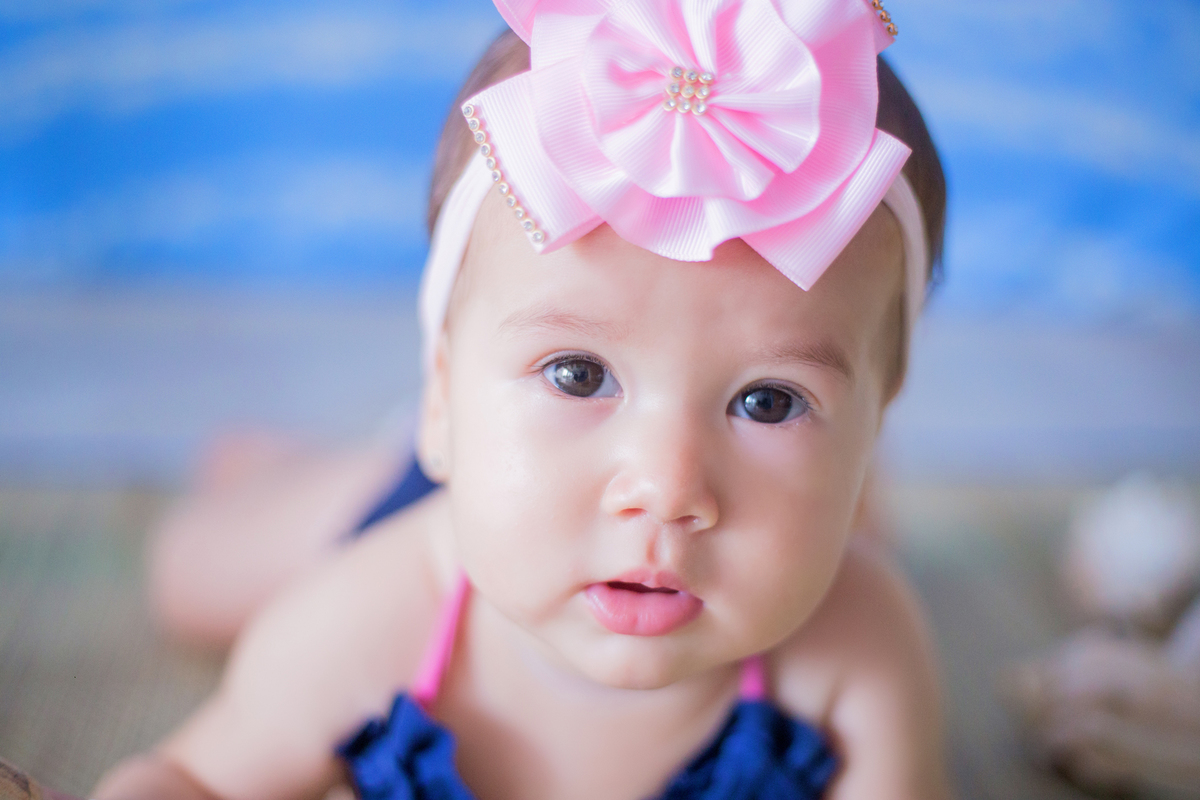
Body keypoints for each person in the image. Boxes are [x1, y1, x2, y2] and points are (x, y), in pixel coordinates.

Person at [95, 1, 952, 797]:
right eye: (577, 373)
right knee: (191, 575)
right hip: (416, 515)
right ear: (443, 394)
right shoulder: (365, 617)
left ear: (876, 419)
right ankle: (295, 467)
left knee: (852, 541)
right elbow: (194, 778)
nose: (666, 486)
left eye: (768, 401)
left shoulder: (858, 647)